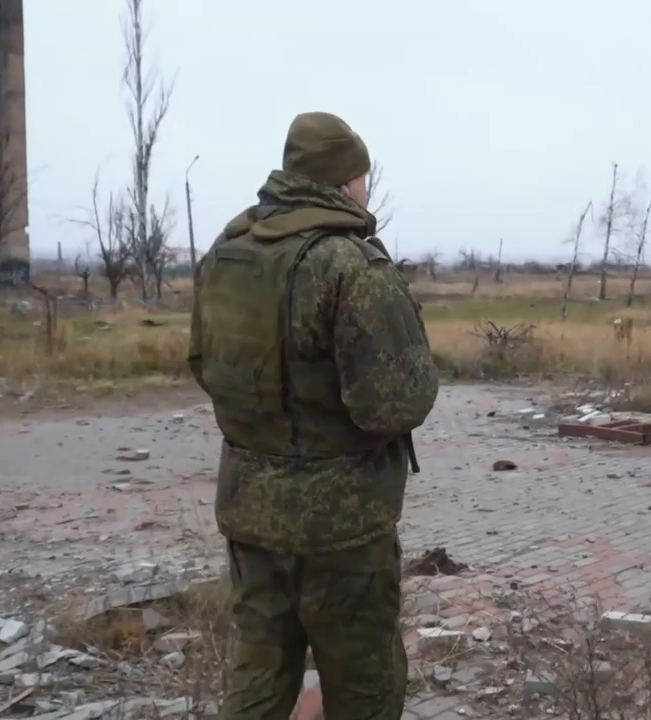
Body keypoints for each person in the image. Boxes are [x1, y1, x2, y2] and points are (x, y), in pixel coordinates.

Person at [189, 111, 439, 719]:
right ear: (346, 180)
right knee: (363, 686)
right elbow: (395, 402)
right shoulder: (349, 264)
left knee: (258, 677)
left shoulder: (228, 252)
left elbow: (203, 364)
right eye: (362, 175)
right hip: (341, 529)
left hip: (249, 512)